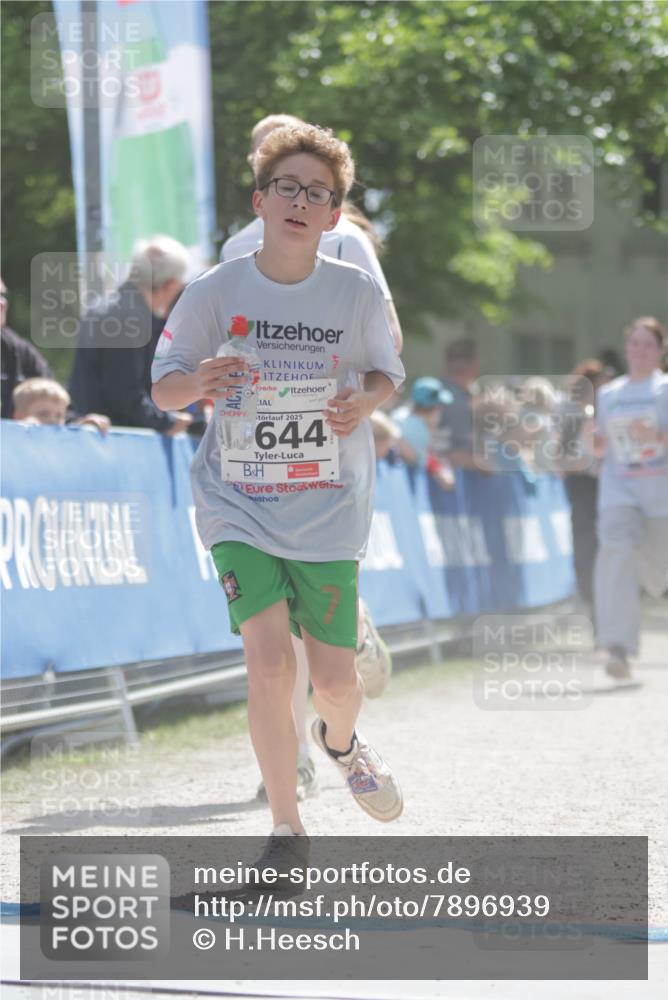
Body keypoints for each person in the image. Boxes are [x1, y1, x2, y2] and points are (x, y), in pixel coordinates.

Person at [151, 122, 405, 853]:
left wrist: (366, 402)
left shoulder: (354, 291)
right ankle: (285, 827)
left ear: (334, 216)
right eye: (286, 188)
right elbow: (163, 390)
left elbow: (389, 372)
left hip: (327, 505)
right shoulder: (213, 290)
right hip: (237, 501)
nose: (300, 202)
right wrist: (196, 383)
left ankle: (342, 739)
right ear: (259, 203)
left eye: (316, 193)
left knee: (334, 681)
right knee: (267, 661)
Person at [223, 114, 403, 800]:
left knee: (309, 638)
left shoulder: (349, 241)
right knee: (272, 639)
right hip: (260, 459)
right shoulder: (236, 246)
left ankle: (351, 633)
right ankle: (290, 761)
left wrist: (365, 400)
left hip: (332, 449)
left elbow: (385, 333)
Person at [593, 316, 668, 679]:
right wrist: (596, 443)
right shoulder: (609, 394)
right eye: (634, 344)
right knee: (616, 554)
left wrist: (655, 436)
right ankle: (617, 647)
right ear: (627, 349)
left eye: (648, 345)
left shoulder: (665, 391)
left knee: (658, 578)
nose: (640, 351)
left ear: (660, 351)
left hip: (660, 497)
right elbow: (600, 443)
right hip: (619, 490)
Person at [69, 236, 192, 436]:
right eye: (180, 288)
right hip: (113, 442)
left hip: (95, 438)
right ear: (170, 285)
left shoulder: (111, 308)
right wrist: (168, 422)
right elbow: (124, 396)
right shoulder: (129, 318)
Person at [561, 359, 611, 612]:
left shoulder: (601, 414)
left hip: (599, 487)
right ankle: (590, 601)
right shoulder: (574, 415)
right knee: (586, 548)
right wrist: (590, 461)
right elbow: (562, 458)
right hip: (582, 488)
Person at [1, 277, 53, 418]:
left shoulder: (19, 351)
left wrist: (79, 424)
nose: (2, 303)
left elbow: (54, 400)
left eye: (3, 295)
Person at [391, 377, 456, 489]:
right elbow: (416, 456)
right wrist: (438, 469)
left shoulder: (401, 414)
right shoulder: (417, 428)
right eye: (439, 406)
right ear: (436, 407)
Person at [433, 338, 480, 469]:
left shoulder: (435, 389)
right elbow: (456, 453)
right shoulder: (455, 402)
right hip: (449, 482)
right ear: (474, 365)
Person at [12, 377, 111, 433]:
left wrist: (84, 425)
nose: (53, 421)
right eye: (43, 414)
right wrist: (22, 428)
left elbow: (71, 434)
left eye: (59, 416)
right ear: (19, 416)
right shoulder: (8, 442)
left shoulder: (63, 440)